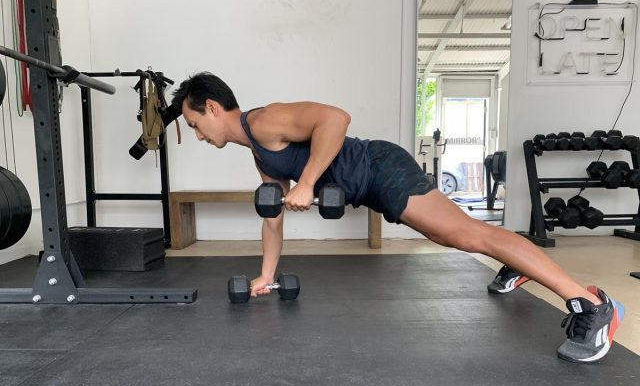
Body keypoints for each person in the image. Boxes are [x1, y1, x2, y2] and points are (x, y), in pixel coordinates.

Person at [171, 72, 624, 364]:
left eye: (193, 124)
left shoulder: (265, 121)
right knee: (460, 237)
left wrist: (308, 181)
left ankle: (592, 305)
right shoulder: (260, 155)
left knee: (469, 237)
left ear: (211, 108)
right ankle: (519, 263)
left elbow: (335, 118)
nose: (196, 135)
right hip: (373, 186)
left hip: (381, 169)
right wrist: (265, 275)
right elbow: (273, 216)